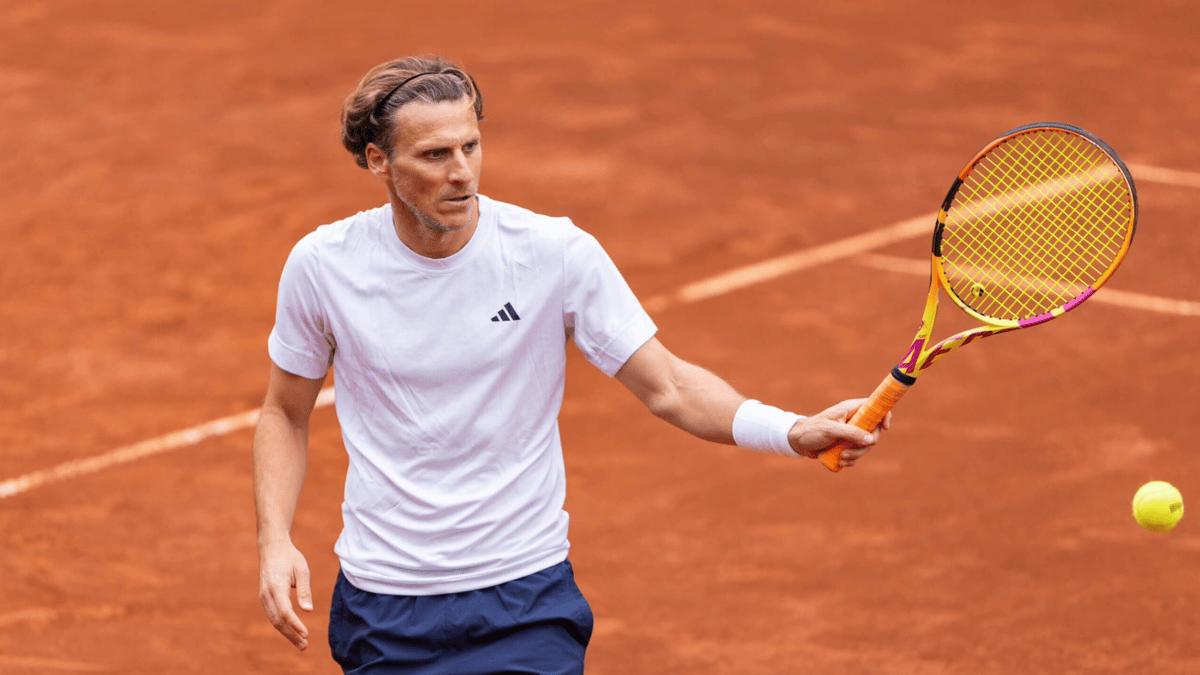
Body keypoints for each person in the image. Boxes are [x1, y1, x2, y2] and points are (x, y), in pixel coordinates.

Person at [252, 55, 890, 674]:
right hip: (385, 601)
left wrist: (790, 430)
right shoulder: (324, 266)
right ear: (378, 161)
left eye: (471, 146)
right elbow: (285, 412)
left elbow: (668, 385)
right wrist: (275, 540)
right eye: (435, 155)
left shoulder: (551, 252)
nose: (463, 173)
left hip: (523, 594)